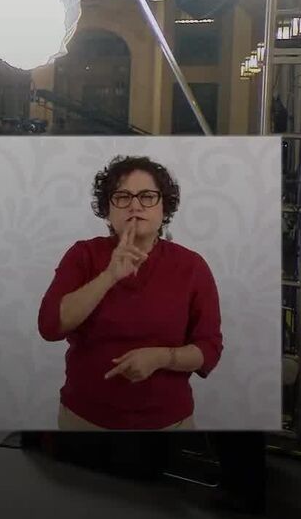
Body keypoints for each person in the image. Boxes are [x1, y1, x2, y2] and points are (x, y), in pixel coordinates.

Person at [37, 155, 223, 431]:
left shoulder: (192, 266)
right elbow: (50, 327)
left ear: (164, 207)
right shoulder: (83, 255)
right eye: (122, 197)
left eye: (147, 196)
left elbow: (209, 349)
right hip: (85, 419)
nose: (135, 205)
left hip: (168, 422)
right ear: (108, 210)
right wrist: (109, 275)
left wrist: (161, 358)